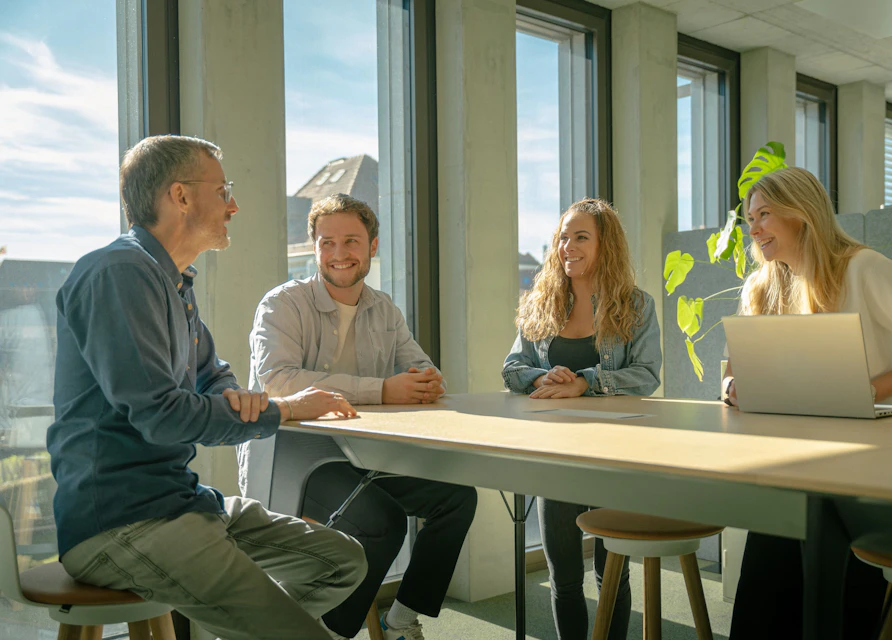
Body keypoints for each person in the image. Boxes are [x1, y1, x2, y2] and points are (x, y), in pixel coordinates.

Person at [48, 135, 367, 640]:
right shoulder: (119, 274)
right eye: (223, 190)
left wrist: (234, 395)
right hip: (122, 521)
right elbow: (161, 415)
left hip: (180, 500)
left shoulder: (175, 281)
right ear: (180, 196)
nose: (233, 204)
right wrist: (280, 410)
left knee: (344, 561)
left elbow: (212, 374)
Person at [723, 167, 892, 638]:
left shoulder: (864, 267)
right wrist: (731, 389)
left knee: (841, 611)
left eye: (765, 215)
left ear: (802, 212)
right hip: (789, 464)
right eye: (751, 218)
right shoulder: (762, 286)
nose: (753, 229)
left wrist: (868, 390)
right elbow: (732, 370)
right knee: (763, 605)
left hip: (866, 469)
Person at [244, 194, 478, 640]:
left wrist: (425, 381)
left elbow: (422, 370)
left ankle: (399, 621)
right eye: (326, 242)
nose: (338, 254)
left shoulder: (384, 309)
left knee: (457, 499)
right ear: (314, 247)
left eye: (351, 241)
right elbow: (277, 381)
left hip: (364, 454)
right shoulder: (282, 304)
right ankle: (331, 634)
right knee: (380, 521)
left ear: (372, 246)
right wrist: (383, 389)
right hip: (296, 458)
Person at [501, 198, 662, 640]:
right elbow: (512, 369)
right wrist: (542, 374)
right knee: (564, 578)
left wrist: (585, 382)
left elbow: (646, 376)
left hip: (615, 454)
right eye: (563, 237)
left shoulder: (636, 306)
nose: (567, 245)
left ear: (605, 244)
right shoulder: (541, 304)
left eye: (581, 236)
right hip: (558, 456)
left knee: (612, 574)